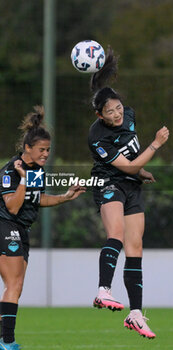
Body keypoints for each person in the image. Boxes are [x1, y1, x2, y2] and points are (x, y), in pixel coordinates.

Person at [88, 48, 169, 339]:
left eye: (118, 107)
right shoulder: (97, 137)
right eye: (109, 112)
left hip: (132, 185)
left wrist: (141, 172)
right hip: (109, 183)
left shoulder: (129, 114)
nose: (117, 113)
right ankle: (103, 291)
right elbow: (130, 163)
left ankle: (135, 314)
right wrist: (156, 145)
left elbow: (133, 162)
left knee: (135, 247)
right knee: (117, 235)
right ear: (100, 115)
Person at [0, 106, 85, 350]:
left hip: (21, 228)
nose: (46, 154)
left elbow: (37, 199)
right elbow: (13, 206)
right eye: (42, 150)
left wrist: (66, 197)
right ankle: (7, 342)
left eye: (48, 150)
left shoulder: (36, 170)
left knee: (15, 288)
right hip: (6, 225)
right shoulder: (11, 170)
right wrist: (23, 178)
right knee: (13, 286)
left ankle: (2, 338)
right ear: (27, 148)